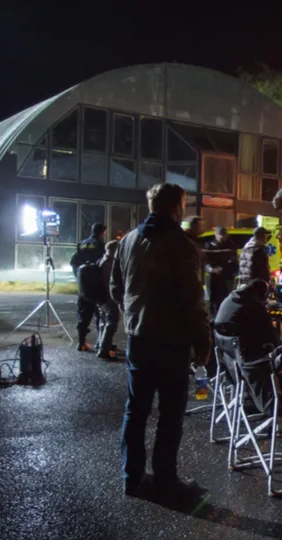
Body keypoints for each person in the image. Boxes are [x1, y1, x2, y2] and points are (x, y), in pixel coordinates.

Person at [112, 182, 211, 500]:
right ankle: (166, 480)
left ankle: (132, 477)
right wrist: (203, 343)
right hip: (172, 342)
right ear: (176, 207)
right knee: (170, 413)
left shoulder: (128, 240)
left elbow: (116, 287)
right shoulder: (180, 245)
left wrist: (132, 316)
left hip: (139, 339)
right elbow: (193, 299)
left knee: (136, 410)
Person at [214, 279, 279, 413]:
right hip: (249, 368)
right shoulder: (253, 308)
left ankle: (248, 398)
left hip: (231, 366)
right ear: (258, 296)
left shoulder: (230, 299)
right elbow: (271, 337)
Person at [70, 222, 107, 351]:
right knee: (99, 314)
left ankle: (81, 342)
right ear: (103, 233)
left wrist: (79, 277)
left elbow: (73, 262)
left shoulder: (82, 244)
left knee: (82, 314)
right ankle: (100, 343)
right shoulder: (102, 246)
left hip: (83, 286)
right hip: (97, 285)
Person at [205, 226, 238, 317]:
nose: (222, 237)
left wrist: (227, 269)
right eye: (220, 235)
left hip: (226, 277)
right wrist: (211, 269)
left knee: (226, 299)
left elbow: (235, 263)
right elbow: (205, 261)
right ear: (216, 235)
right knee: (213, 300)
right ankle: (214, 318)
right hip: (213, 278)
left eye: (224, 235)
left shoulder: (231, 245)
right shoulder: (209, 246)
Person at [96, 240, 120, 361]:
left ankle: (101, 343)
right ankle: (104, 349)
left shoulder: (101, 259)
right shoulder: (109, 262)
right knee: (111, 323)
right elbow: (110, 282)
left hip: (100, 297)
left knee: (103, 322)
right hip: (108, 297)